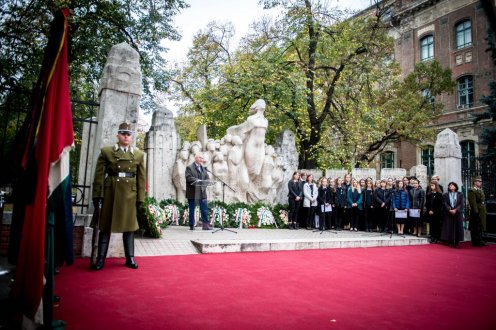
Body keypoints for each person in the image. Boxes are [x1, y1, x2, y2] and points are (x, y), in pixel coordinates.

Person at [91, 122, 146, 270]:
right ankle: (100, 259)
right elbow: (99, 176)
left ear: (132, 137)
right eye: (123, 134)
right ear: (118, 135)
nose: (126, 136)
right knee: (105, 226)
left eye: (128, 134)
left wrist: (141, 198)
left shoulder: (139, 154)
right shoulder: (107, 151)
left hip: (130, 194)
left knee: (129, 228)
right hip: (111, 192)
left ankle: (130, 258)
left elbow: (141, 178)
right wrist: (97, 195)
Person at [185, 152, 211, 230]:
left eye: (202, 158)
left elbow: (207, 179)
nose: (201, 159)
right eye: (200, 158)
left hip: (202, 192)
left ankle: (205, 226)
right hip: (193, 192)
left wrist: (203, 185)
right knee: (192, 209)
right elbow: (188, 177)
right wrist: (198, 181)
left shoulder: (204, 169)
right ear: (196, 158)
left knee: (204, 209)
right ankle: (192, 225)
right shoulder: (189, 168)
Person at [441, 182, 464, 248]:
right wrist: (449, 209)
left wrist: (456, 210)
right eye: (449, 185)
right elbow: (445, 203)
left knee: (457, 227)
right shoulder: (446, 195)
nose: (450, 186)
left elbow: (461, 203)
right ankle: (450, 241)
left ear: (455, 187)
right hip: (448, 213)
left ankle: (456, 242)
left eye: (452, 185)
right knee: (449, 227)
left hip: (457, 213)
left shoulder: (460, 194)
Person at [468, 177, 488, 247]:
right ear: (475, 182)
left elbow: (483, 200)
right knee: (475, 226)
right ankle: (475, 241)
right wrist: (476, 212)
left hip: (481, 210)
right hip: (476, 211)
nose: (480, 182)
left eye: (480, 181)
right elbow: (473, 202)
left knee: (480, 226)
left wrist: (484, 210)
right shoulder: (472, 190)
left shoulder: (480, 190)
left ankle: (480, 240)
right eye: (479, 181)